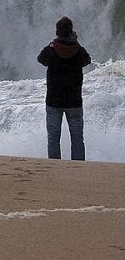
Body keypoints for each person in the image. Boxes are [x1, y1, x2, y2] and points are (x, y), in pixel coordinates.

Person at [37, 16, 92, 160]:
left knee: (53, 138)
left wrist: (52, 43)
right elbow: (87, 60)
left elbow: (40, 58)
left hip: (54, 101)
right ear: (70, 32)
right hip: (74, 102)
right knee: (77, 139)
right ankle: (78, 167)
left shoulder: (51, 50)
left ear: (57, 32)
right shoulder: (78, 50)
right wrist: (75, 42)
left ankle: (55, 167)